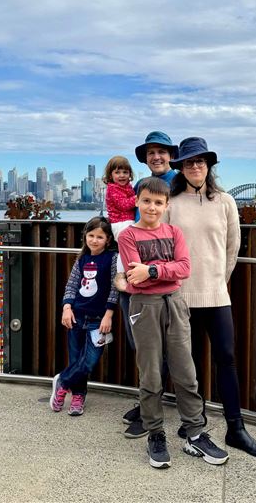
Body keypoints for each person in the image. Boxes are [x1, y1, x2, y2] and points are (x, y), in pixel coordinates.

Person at [163, 136, 256, 458]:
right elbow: (165, 249)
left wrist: (216, 282)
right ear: (181, 167)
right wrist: (179, 287)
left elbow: (232, 248)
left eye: (201, 161)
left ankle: (235, 429)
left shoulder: (225, 202)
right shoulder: (172, 203)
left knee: (227, 359)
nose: (195, 166)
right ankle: (195, 421)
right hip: (181, 297)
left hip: (216, 295)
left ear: (208, 166)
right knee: (187, 364)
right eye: (189, 162)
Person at [118, 177, 229, 469]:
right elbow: (133, 277)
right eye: (146, 201)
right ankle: (155, 434)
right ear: (137, 202)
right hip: (145, 308)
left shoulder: (175, 232)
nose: (152, 207)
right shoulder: (128, 236)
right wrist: (162, 273)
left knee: (185, 371)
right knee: (151, 374)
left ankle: (195, 433)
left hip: (176, 303)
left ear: (167, 205)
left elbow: (184, 268)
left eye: (158, 202)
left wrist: (151, 269)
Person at [121, 130, 179, 438]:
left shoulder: (178, 183)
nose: (156, 156)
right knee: (142, 347)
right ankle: (147, 402)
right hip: (133, 279)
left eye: (162, 151)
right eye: (151, 152)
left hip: (162, 282)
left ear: (171, 154)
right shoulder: (142, 188)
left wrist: (152, 271)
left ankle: (150, 413)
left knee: (159, 351)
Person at [50, 216, 118, 417]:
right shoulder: (82, 259)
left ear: (107, 239)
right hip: (77, 316)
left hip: (98, 319)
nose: (94, 240)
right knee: (76, 357)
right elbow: (71, 285)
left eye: (100, 237)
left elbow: (115, 288)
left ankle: (62, 381)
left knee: (88, 361)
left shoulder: (112, 258)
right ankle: (77, 396)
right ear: (85, 236)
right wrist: (67, 308)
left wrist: (109, 315)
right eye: (91, 235)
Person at [103, 155, 136, 284]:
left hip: (127, 221)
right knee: (124, 251)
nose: (122, 175)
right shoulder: (113, 188)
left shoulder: (127, 186)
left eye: (125, 172)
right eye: (117, 172)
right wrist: (138, 198)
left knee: (129, 249)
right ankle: (121, 275)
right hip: (120, 223)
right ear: (110, 175)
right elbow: (123, 204)